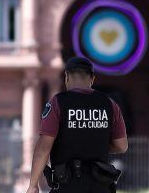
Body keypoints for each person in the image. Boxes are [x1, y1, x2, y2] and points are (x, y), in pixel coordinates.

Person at [26, 57, 128, 193]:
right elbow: (122, 146)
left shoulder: (57, 103)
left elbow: (43, 147)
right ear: (92, 79)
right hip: (100, 185)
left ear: (66, 77)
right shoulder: (110, 104)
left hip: (66, 185)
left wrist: (33, 185)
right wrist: (93, 144)